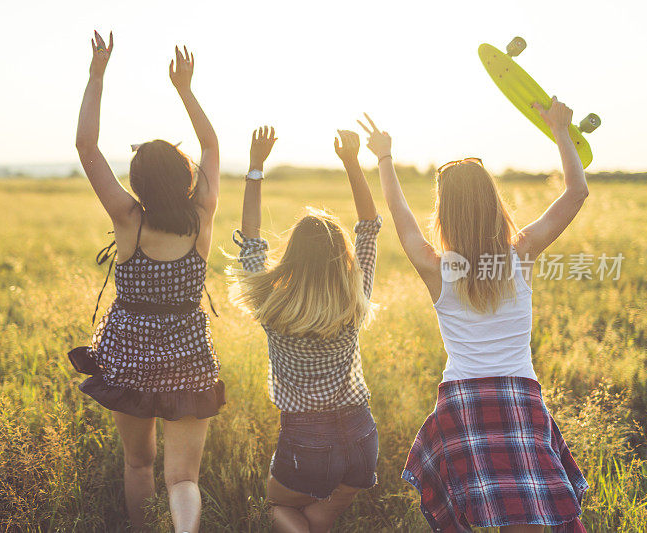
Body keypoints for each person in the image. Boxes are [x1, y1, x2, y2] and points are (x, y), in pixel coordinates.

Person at [358, 101, 588, 533]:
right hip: (519, 399)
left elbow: (401, 216)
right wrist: (561, 130)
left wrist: (384, 157)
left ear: (445, 212)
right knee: (531, 519)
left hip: (462, 405)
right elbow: (577, 193)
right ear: (492, 202)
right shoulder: (521, 253)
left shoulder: (435, 266)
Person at [70, 30, 224, 532]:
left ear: (137, 181)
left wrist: (97, 74)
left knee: (139, 463)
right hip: (188, 354)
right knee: (184, 478)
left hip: (128, 355)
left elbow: (86, 145)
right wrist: (185, 89)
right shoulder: (202, 216)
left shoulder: (128, 220)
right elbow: (210, 144)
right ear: (184, 176)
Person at [229, 126, 381, 533]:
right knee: (322, 516)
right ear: (342, 257)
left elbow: (252, 241)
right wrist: (351, 161)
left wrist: (256, 167)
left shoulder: (270, 302)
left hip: (307, 439)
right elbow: (368, 224)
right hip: (361, 434)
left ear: (292, 255)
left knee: (276, 508)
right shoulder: (355, 295)